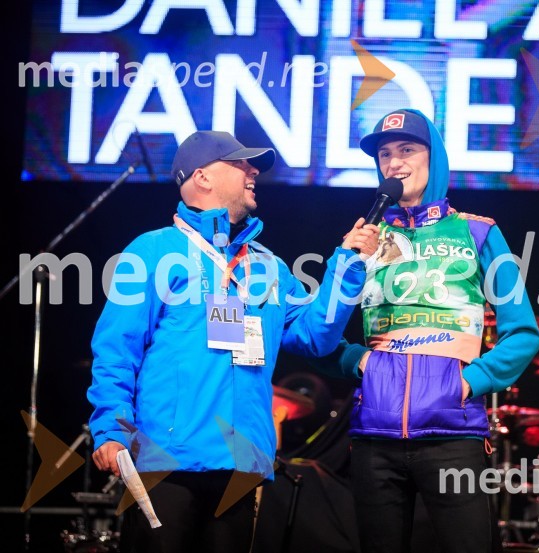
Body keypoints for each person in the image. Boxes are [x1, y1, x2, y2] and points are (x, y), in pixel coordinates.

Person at [87, 130, 379, 552]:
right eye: (241, 163)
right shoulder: (152, 252)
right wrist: (111, 428)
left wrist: (348, 265)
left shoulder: (269, 266)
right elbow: (117, 351)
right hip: (166, 460)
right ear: (202, 177)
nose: (254, 170)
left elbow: (316, 335)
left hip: (243, 462)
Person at [314, 109, 539, 553]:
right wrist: (358, 362)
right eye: (385, 154)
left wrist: (466, 383)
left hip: (454, 433)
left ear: (433, 156)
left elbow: (522, 332)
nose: (394, 163)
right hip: (374, 439)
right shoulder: (364, 240)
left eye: (407, 149)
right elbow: (316, 332)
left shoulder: (478, 232)